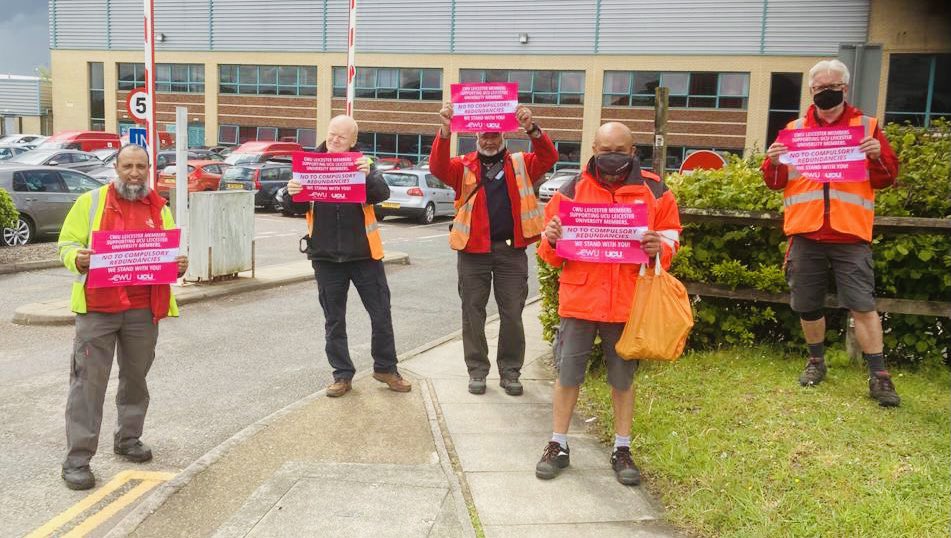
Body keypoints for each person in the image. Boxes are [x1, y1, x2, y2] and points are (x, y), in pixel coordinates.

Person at [535, 122, 681, 485]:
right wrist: (551, 240)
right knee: (567, 376)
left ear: (633, 151)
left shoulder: (656, 191)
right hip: (580, 300)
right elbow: (548, 253)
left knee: (622, 379)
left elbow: (672, 242)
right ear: (593, 150)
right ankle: (558, 444)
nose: (611, 156)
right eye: (603, 150)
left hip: (628, 303)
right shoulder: (570, 190)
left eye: (619, 150)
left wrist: (657, 249)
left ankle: (622, 447)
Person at [762, 59, 901, 407]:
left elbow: (887, 177)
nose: (826, 92)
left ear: (845, 88)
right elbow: (775, 182)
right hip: (805, 232)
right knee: (807, 305)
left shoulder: (866, 127)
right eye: (820, 87)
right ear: (811, 91)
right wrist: (773, 161)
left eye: (833, 86)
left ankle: (880, 376)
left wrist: (876, 155)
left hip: (850, 234)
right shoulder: (793, 130)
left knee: (863, 305)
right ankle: (816, 361)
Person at [57, 144, 189, 490]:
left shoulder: (159, 207)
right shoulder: (90, 202)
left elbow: (169, 253)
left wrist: (179, 264)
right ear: (116, 167)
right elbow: (66, 244)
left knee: (135, 378)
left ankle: (128, 439)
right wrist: (77, 258)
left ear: (149, 170)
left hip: (143, 310)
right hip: (98, 307)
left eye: (140, 167)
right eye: (127, 166)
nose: (134, 173)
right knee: (88, 384)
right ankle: (78, 459)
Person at [429, 102, 558, 396]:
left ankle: (511, 372)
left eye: (494, 135)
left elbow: (549, 156)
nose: (489, 140)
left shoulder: (521, 162)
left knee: (512, 312)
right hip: (472, 252)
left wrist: (532, 128)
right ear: (476, 137)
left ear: (503, 136)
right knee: (472, 313)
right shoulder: (463, 165)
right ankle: (477, 371)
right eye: (484, 136)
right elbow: (437, 167)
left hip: (511, 252)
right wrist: (446, 130)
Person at [286, 115, 411, 397]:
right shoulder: (309, 164)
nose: (334, 140)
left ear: (353, 141)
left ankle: (386, 368)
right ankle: (342, 375)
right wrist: (290, 192)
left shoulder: (362, 164)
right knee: (334, 320)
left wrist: (369, 174)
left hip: (364, 255)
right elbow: (295, 206)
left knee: (381, 315)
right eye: (332, 134)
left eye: (342, 137)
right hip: (326, 257)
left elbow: (381, 194)